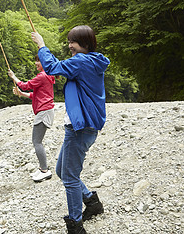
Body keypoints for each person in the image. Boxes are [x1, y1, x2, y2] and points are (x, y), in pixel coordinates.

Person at [31, 25, 110, 234]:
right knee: (61, 171)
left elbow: (53, 67)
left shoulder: (82, 62)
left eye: (72, 42)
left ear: (84, 44)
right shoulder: (91, 61)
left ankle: (75, 226)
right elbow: (60, 67)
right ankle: (92, 202)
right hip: (83, 127)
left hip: (81, 128)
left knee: (70, 177)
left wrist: (41, 45)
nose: (69, 46)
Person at [8, 55, 55, 182]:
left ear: (45, 63)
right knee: (37, 141)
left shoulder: (42, 76)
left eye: (38, 61)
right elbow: (37, 95)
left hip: (44, 112)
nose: (36, 63)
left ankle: (45, 170)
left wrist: (13, 77)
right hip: (46, 111)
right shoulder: (48, 76)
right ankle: (42, 169)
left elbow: (25, 85)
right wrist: (22, 94)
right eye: (36, 60)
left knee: (37, 141)